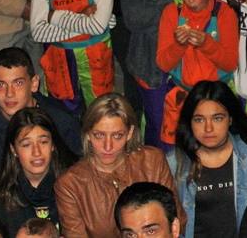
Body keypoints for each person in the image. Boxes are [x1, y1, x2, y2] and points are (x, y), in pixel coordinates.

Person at [121, 0, 204, 147]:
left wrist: (157, 10)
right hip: (148, 60)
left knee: (190, 126)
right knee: (159, 128)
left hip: (189, 59)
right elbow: (132, 18)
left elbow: (200, 14)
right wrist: (172, 7)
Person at [53, 94, 182, 238]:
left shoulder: (152, 161)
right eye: (99, 135)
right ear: (88, 134)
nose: (108, 146)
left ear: (130, 133)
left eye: (117, 136)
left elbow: (176, 220)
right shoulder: (70, 184)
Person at [166, 80, 247, 238]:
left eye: (217, 118)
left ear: (230, 119)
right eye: (199, 119)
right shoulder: (175, 164)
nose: (208, 128)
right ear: (190, 122)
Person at [154, 0, 239, 147]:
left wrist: (206, 43)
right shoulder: (172, 13)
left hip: (217, 97)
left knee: (216, 151)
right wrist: (178, 44)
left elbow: (230, 63)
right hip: (181, 96)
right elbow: (163, 63)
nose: (190, 0)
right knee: (178, 154)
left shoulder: (225, 14)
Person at [0, 47, 81, 179]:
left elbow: (79, 171)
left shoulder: (61, 121)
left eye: (18, 83)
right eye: (1, 85)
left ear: (34, 84)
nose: (9, 93)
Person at [0, 107, 76, 235]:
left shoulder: (75, 186)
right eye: (26, 145)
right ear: (14, 149)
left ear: (53, 144)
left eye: (43, 142)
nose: (36, 152)